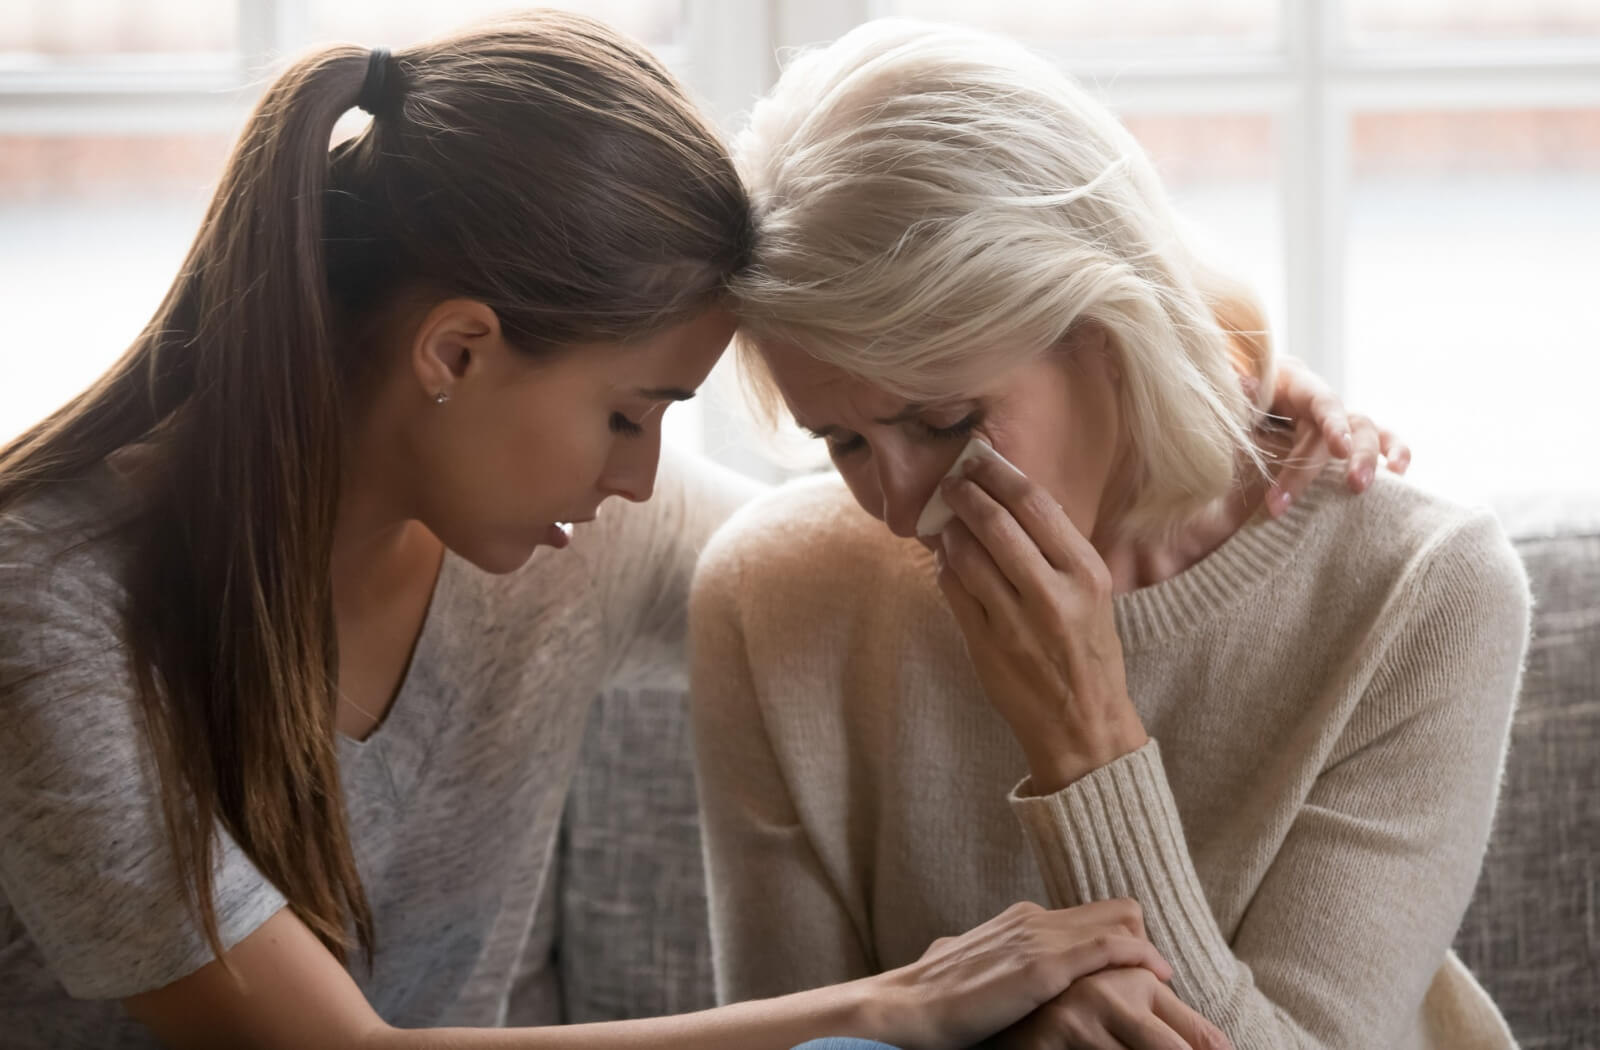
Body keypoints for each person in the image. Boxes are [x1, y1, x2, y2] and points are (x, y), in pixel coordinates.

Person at [0, 11, 1388, 1050]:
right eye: (631, 411)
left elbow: (854, 559)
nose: (645, 473)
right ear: (456, 350)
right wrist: (893, 1000)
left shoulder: (580, 531)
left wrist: (1215, 374)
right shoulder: (50, 605)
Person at [691, 19, 1525, 1050]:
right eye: (841, 443)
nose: (904, 512)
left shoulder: (1423, 593)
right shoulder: (768, 596)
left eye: (945, 423)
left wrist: (1087, 747)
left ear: (1106, 330)